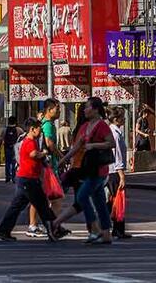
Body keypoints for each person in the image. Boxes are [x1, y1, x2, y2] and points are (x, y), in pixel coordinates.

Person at [53, 97, 116, 245]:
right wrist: (63, 160)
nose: (85, 110)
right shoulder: (85, 126)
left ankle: (95, 230)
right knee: (99, 202)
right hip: (88, 169)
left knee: (81, 197)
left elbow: (111, 143)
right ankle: (106, 234)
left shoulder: (102, 125)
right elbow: (76, 147)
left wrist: (94, 145)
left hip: (98, 170)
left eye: (87, 107)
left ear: (95, 109)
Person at [0, 117, 58, 242]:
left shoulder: (30, 140)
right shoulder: (29, 141)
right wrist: (44, 153)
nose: (41, 132)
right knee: (42, 205)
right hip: (28, 179)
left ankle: (3, 231)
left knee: (18, 206)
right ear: (32, 129)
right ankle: (54, 230)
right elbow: (33, 154)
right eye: (39, 129)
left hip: (26, 179)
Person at [27, 98, 63, 238]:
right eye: (57, 109)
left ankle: (41, 224)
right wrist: (61, 155)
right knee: (50, 197)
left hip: (45, 165)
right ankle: (42, 224)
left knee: (43, 197)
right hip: (47, 166)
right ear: (50, 110)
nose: (59, 111)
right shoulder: (47, 125)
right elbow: (49, 143)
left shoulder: (45, 123)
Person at [107, 107, 130, 239]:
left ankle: (118, 229)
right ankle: (117, 229)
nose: (124, 119)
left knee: (114, 201)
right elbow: (118, 156)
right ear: (116, 119)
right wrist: (121, 174)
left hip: (111, 171)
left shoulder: (115, 132)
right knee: (116, 201)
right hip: (114, 171)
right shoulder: (115, 134)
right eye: (122, 117)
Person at [0, 116, 22, 184]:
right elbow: (23, 137)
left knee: (7, 163)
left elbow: (0, 139)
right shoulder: (19, 129)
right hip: (16, 149)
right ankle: (13, 177)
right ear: (15, 121)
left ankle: (7, 177)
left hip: (7, 148)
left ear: (8, 121)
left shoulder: (4, 130)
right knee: (14, 163)